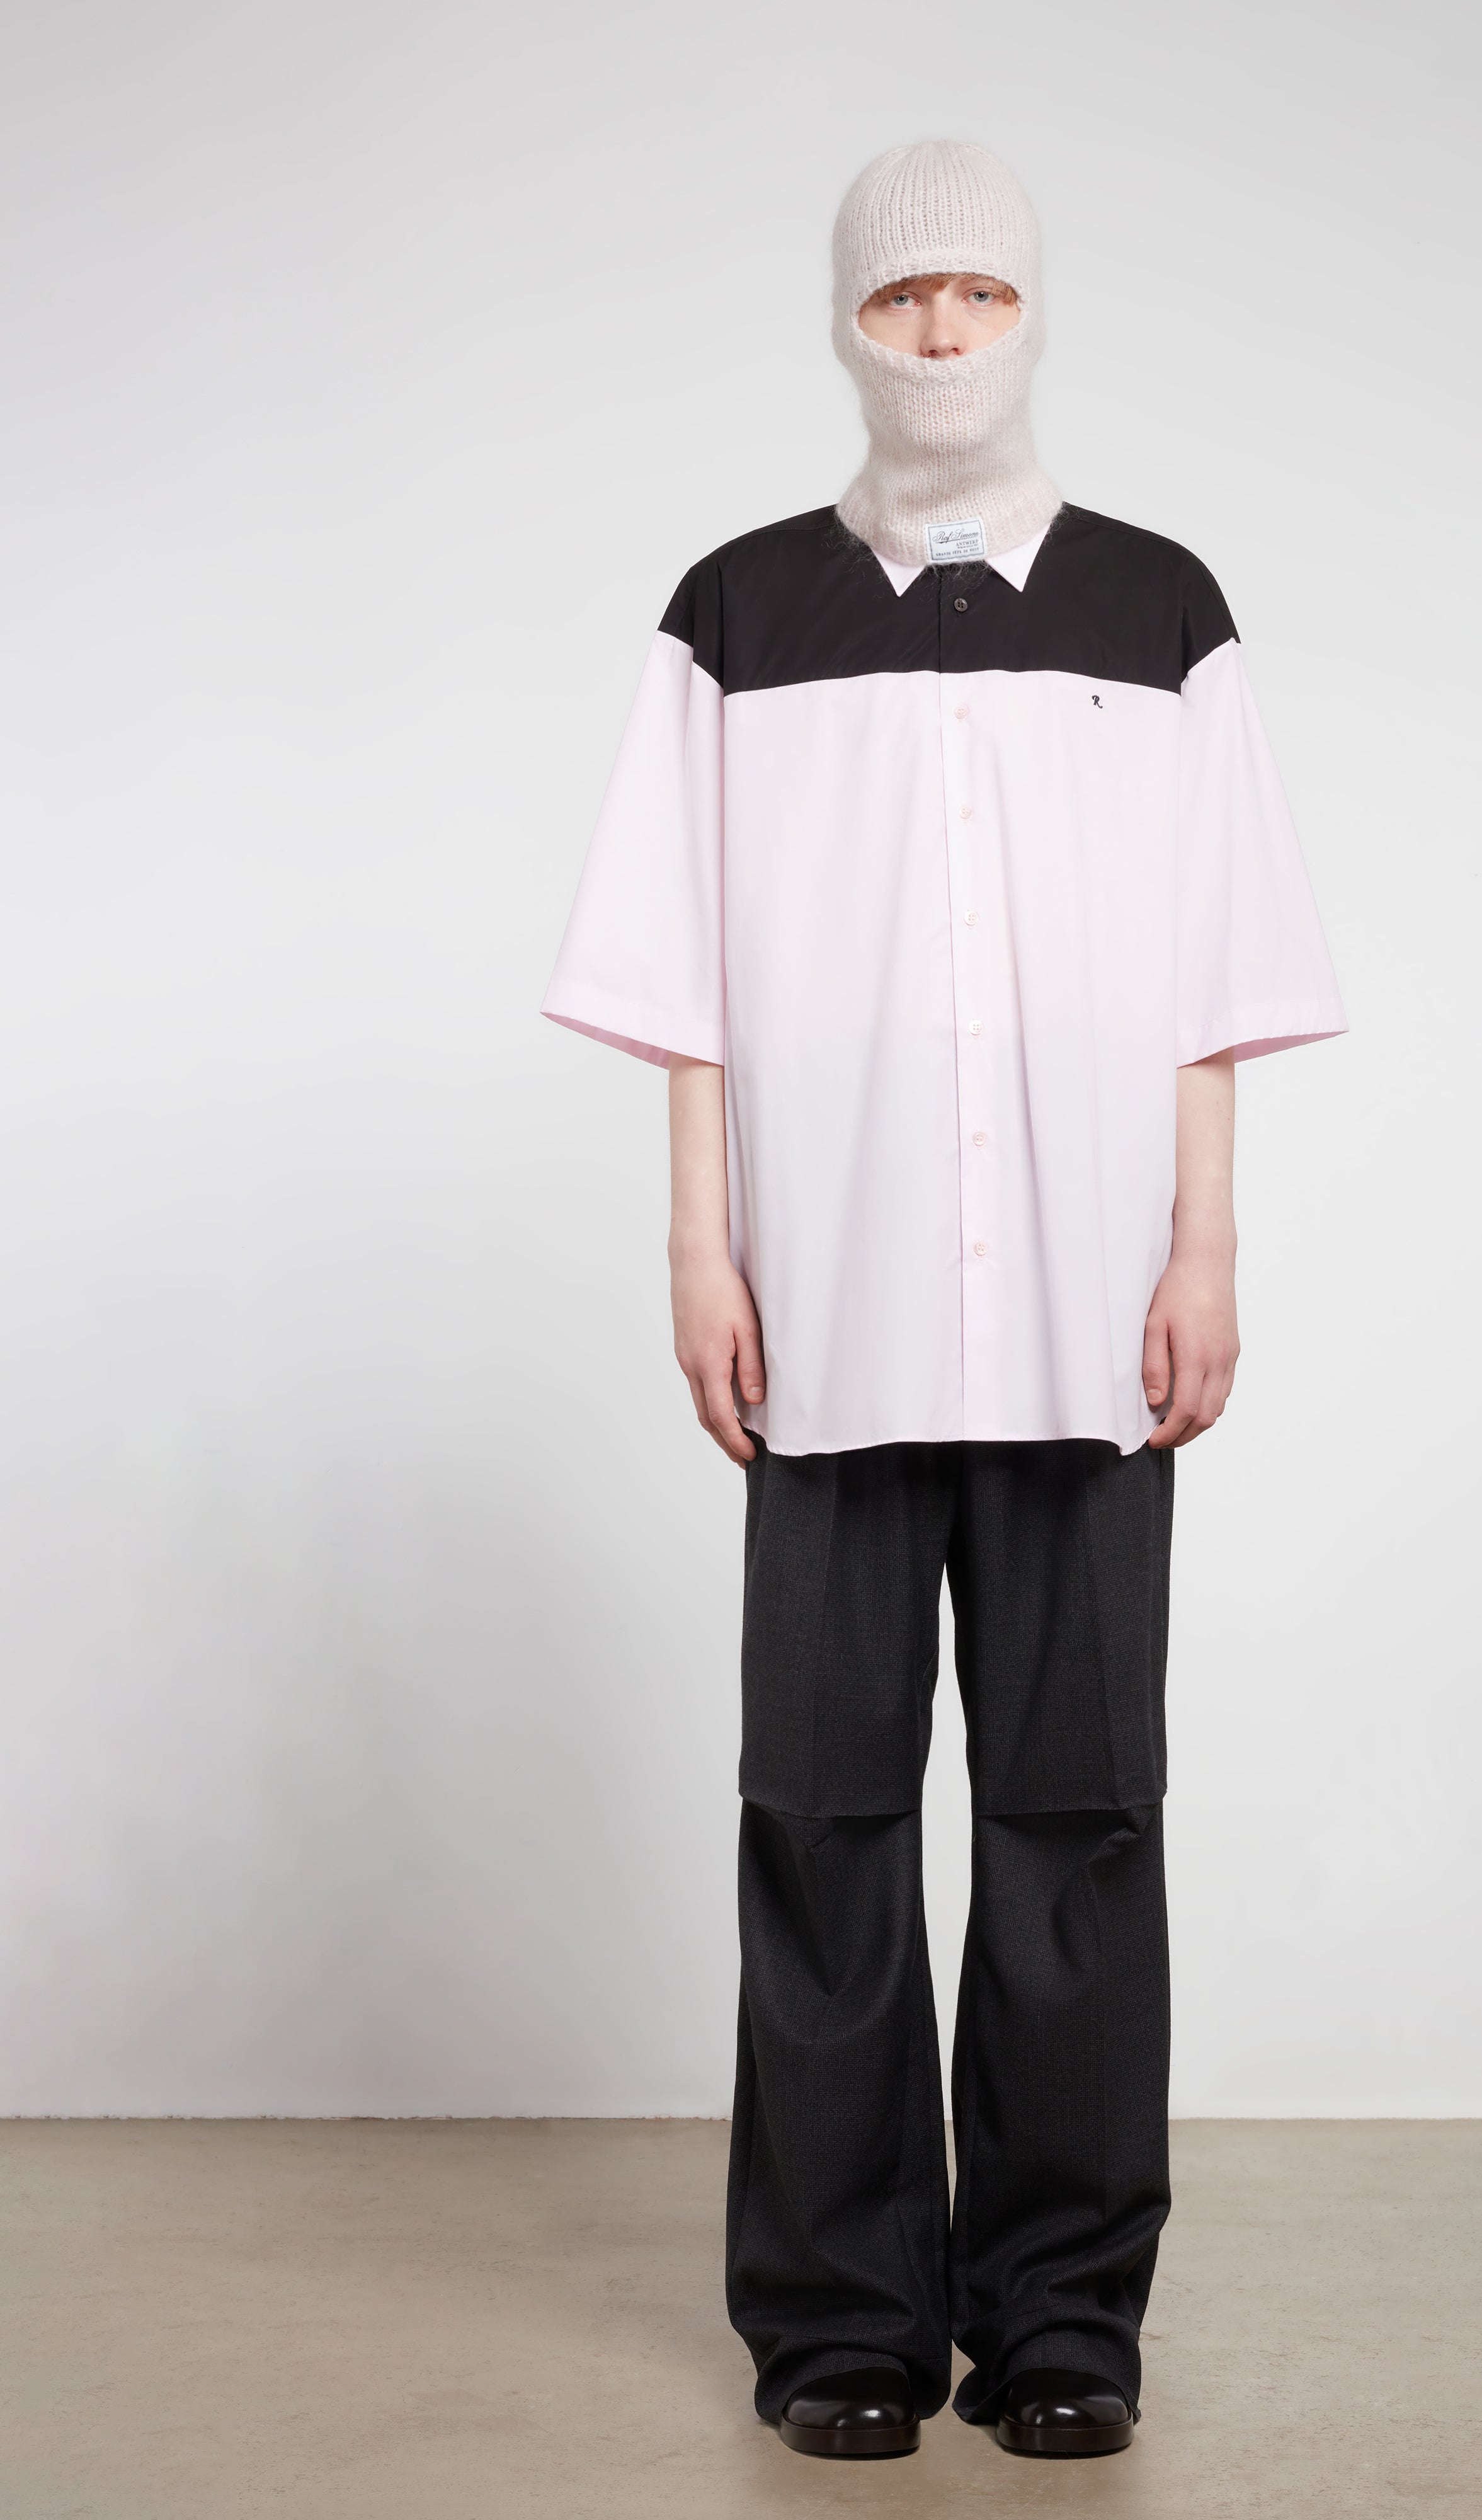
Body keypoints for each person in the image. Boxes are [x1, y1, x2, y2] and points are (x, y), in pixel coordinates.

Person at [542, 137, 1346, 2461]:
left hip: (1096, 1313)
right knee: (821, 1816)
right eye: (905, 294)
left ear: (1031, 312)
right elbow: (682, 975)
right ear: (848, 320)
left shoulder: (1164, 609)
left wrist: (1207, 1244)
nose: (943, 330)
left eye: (979, 289)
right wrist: (700, 1245)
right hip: (829, 1308)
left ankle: (1066, 2319)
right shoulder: (737, 611)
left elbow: (1212, 969)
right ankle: (842, 2326)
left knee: (1081, 1813)